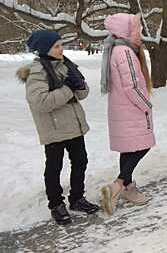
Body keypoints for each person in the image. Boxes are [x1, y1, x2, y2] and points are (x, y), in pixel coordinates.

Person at [17, 30, 99, 225]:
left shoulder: (65, 65)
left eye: (61, 44)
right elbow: (41, 102)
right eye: (56, 46)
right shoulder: (37, 72)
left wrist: (79, 86)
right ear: (45, 49)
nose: (61, 48)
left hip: (73, 125)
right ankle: (56, 204)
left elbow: (82, 93)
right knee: (54, 167)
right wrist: (68, 89)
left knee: (81, 161)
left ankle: (77, 198)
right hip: (54, 129)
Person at [100, 13, 155, 215]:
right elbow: (132, 85)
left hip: (122, 109)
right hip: (132, 109)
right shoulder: (125, 52)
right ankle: (119, 185)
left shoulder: (115, 49)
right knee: (143, 146)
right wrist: (146, 105)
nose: (140, 34)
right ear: (127, 32)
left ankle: (128, 187)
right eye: (137, 31)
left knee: (129, 149)